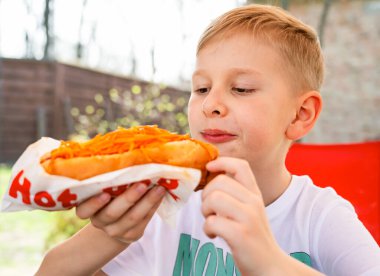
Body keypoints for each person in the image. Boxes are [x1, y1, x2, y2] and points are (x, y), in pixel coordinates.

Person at [36, 4, 380, 276]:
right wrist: (112, 235)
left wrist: (269, 262)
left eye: (241, 88)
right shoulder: (165, 207)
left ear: (300, 114)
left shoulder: (320, 218)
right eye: (201, 88)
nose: (210, 104)